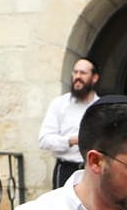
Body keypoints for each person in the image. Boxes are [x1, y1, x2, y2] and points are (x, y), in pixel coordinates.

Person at [38, 56, 100, 189]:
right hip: (66, 169)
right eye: (75, 72)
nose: (78, 76)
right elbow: (44, 140)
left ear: (94, 78)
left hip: (94, 171)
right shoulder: (59, 104)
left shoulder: (101, 107)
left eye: (83, 73)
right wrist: (72, 140)